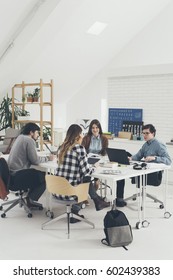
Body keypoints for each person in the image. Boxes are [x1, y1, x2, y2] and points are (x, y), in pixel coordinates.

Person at [56, 124, 110, 223]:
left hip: (57, 190)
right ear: (78, 136)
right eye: (82, 134)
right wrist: (94, 167)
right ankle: (96, 201)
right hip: (70, 192)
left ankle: (96, 202)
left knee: (84, 180)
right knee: (86, 180)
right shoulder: (79, 149)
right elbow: (86, 171)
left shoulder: (61, 148)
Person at [8, 122, 54, 208]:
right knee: (48, 177)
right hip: (19, 174)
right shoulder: (29, 140)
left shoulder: (20, 137)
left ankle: (29, 198)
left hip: (11, 175)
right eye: (37, 132)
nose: (38, 135)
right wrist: (48, 158)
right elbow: (35, 160)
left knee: (38, 174)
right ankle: (30, 199)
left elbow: (31, 157)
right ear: (31, 132)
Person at [82, 119, 127, 207]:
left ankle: (95, 195)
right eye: (93, 128)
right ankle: (86, 198)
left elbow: (105, 152)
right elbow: (83, 150)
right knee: (85, 175)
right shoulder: (86, 138)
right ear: (90, 129)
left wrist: (100, 157)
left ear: (99, 128)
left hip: (99, 160)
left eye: (96, 128)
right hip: (88, 160)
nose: (95, 130)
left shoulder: (104, 138)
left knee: (97, 177)